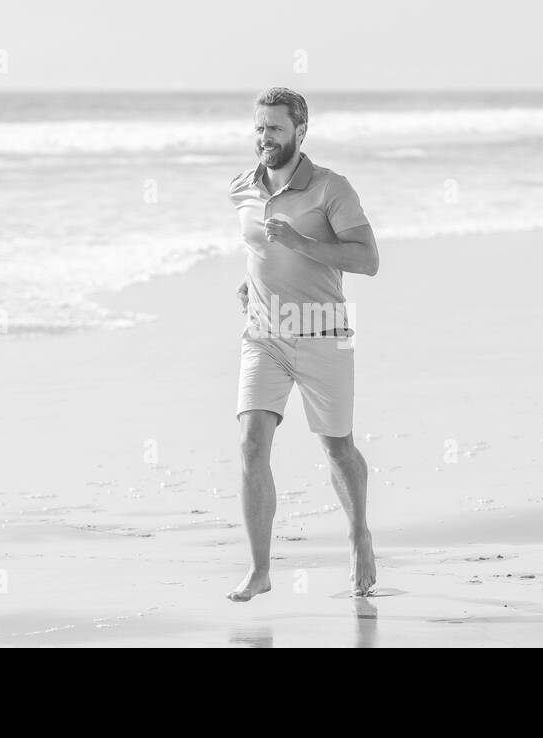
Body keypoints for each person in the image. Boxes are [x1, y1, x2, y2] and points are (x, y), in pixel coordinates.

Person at [225, 87, 380, 602]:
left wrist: (302, 244)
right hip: (263, 335)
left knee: (337, 448)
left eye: (274, 128)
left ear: (300, 131)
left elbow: (367, 259)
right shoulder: (242, 188)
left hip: (322, 331)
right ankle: (260, 569)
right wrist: (249, 283)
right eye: (259, 127)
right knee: (251, 443)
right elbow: (256, 250)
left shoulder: (332, 189)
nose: (264, 138)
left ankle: (359, 533)